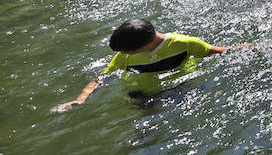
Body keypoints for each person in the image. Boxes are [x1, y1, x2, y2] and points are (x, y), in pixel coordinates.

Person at [53, 19, 242, 111]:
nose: (123, 54)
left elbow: (221, 51)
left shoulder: (184, 43)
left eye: (128, 51)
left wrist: (253, 48)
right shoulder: (123, 57)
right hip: (144, 97)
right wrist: (80, 99)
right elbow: (101, 79)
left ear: (143, 47)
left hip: (179, 88)